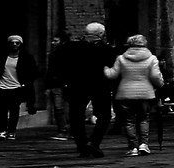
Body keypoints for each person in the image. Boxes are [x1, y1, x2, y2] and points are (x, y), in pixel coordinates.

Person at [56, 22, 116, 158]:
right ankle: (94, 142)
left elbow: (60, 64)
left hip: (76, 85)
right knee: (104, 115)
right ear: (101, 34)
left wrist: (64, 81)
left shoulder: (71, 47)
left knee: (76, 116)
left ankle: (82, 146)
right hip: (99, 85)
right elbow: (111, 66)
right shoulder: (106, 49)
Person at [106, 34, 164, 157]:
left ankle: (133, 147)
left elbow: (112, 75)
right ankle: (144, 144)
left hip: (126, 93)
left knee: (129, 121)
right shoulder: (151, 58)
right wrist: (160, 84)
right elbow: (155, 76)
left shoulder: (121, 58)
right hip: (145, 93)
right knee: (144, 119)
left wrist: (105, 68)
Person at [0, 35, 37, 140]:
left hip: (16, 87)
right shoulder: (2, 57)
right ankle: (2, 131)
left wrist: (25, 83)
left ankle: (11, 131)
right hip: (1, 87)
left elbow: (33, 72)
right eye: (12, 43)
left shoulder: (26, 57)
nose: (14, 45)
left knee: (14, 111)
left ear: (21, 44)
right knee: (2, 111)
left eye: (17, 43)